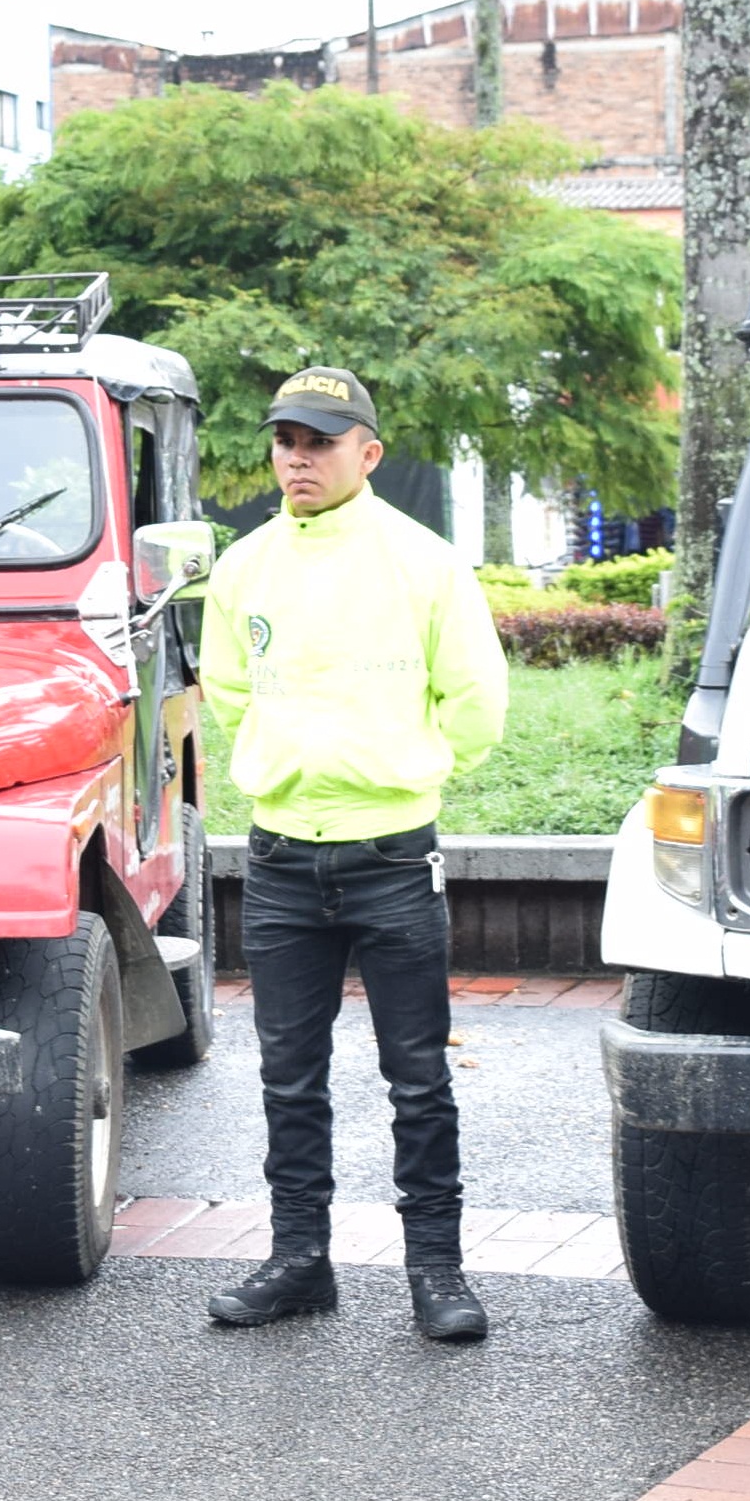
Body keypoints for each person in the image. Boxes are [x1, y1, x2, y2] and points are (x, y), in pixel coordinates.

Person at [199, 368, 508, 1342]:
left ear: (367, 453)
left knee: (416, 1075)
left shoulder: (424, 563)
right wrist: (291, 766)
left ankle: (436, 1273)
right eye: (285, 438)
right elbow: (228, 689)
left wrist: (403, 772)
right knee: (288, 1076)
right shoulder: (244, 567)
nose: (297, 455)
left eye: (319, 440)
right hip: (282, 863)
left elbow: (475, 702)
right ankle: (299, 1262)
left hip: (391, 861)